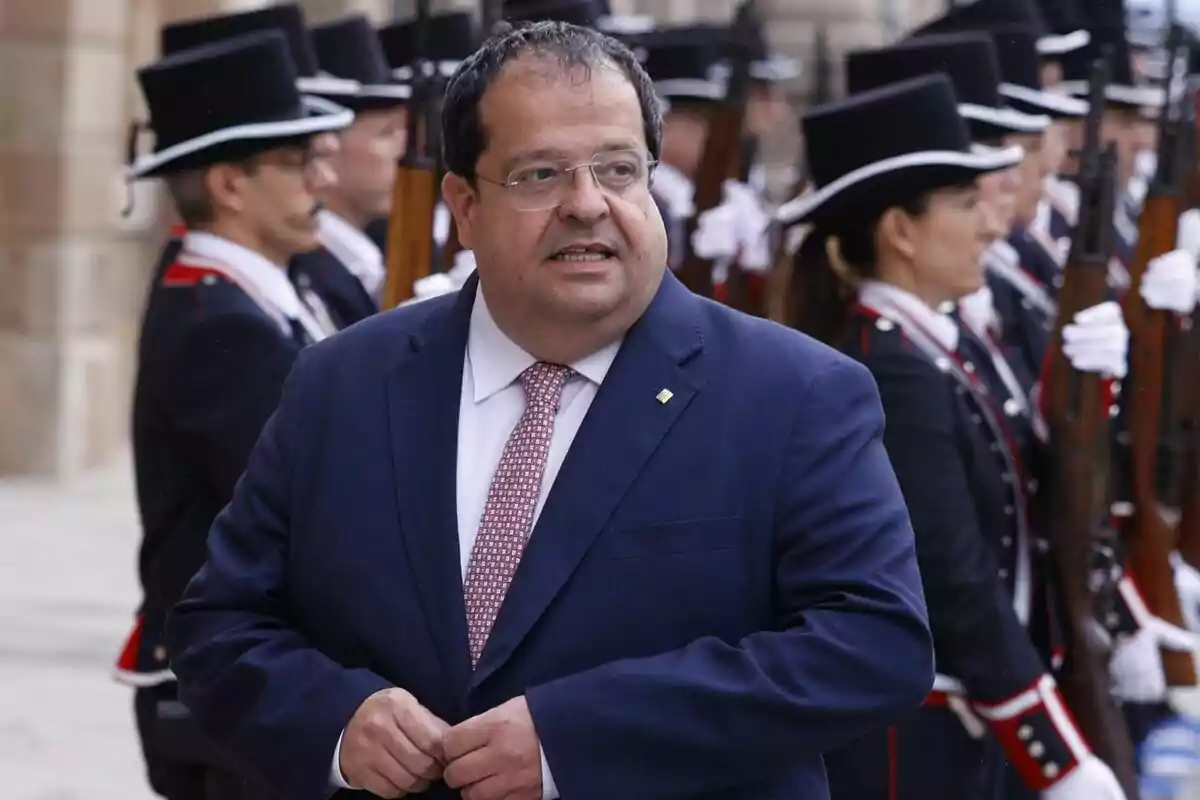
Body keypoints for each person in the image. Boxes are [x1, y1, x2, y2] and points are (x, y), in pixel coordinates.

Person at [165, 20, 934, 800]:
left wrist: (577, 738)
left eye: (619, 169)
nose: (587, 204)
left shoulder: (792, 393)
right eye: (540, 175)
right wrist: (336, 720)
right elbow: (217, 625)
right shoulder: (344, 383)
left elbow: (872, 646)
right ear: (463, 207)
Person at [778, 72, 1127, 800]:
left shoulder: (928, 350)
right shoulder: (891, 372)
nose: (993, 227)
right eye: (967, 205)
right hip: (927, 740)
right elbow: (954, 575)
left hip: (972, 723)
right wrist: (1054, 752)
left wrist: (1093, 383)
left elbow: (1036, 497)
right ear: (900, 231)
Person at [112, 30, 353, 800]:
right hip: (231, 685)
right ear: (229, 185)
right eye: (296, 162)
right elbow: (312, 505)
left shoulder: (259, 298)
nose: (321, 177)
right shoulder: (224, 323)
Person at [290, 13, 411, 330]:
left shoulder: (358, 256)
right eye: (386, 133)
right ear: (328, 148)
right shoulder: (310, 265)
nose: (403, 151)